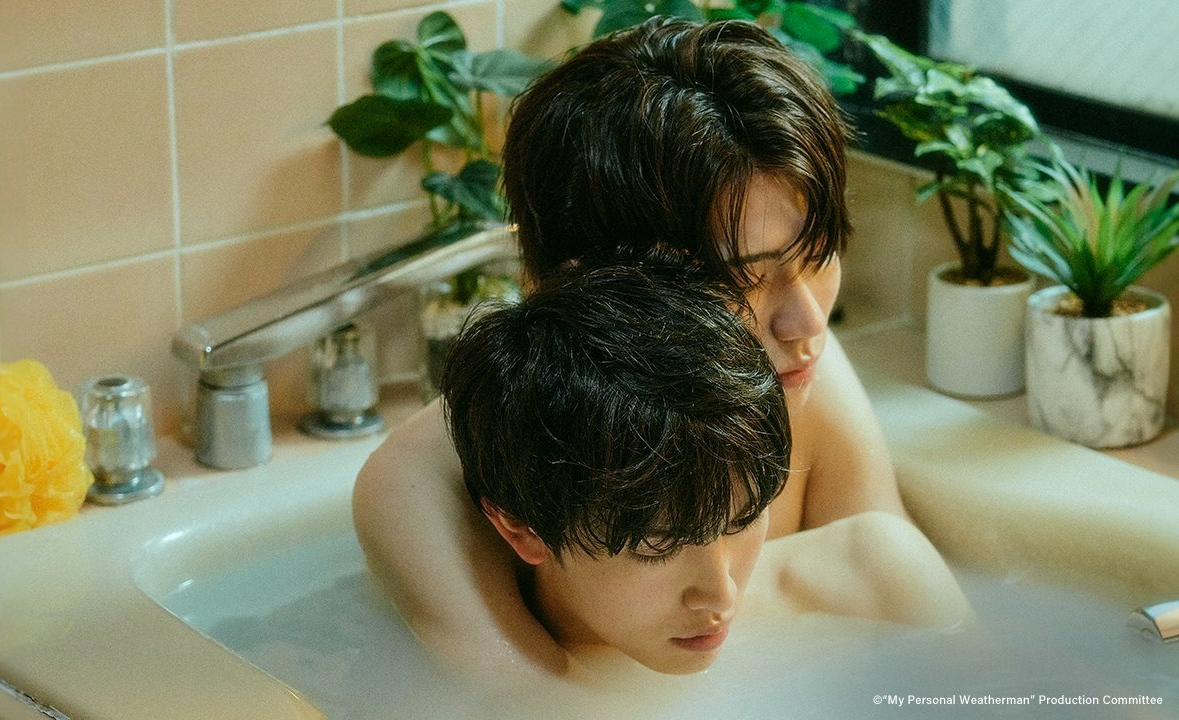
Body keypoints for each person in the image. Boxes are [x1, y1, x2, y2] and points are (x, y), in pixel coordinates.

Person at [352, 17, 929, 678]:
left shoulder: (794, 362)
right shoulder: (423, 484)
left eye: (818, 253)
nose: (807, 321)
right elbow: (528, 704)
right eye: (740, 277)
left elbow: (905, 629)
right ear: (591, 290)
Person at [440, 260, 789, 677]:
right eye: (658, 545)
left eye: (744, 519)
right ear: (522, 529)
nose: (722, 596)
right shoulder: (463, 680)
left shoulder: (821, 603)